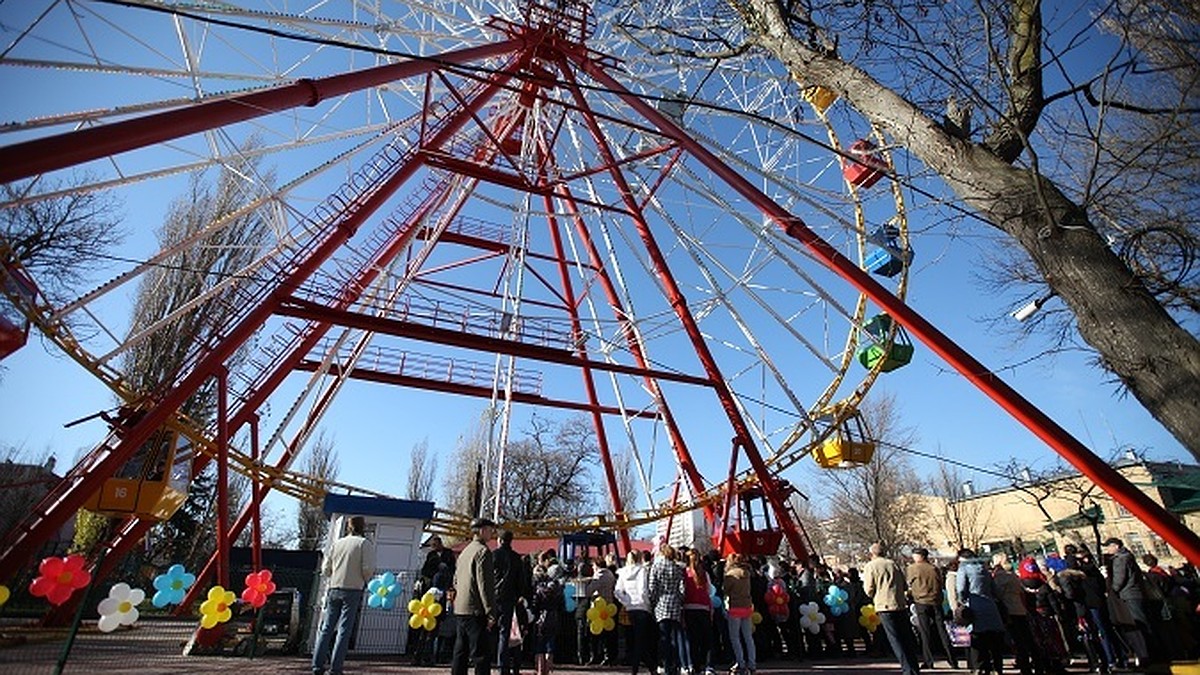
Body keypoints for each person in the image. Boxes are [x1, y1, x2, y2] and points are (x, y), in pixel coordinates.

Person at [312, 515, 376, 675]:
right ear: (363, 528)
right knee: (344, 630)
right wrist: (367, 580)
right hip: (353, 588)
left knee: (326, 628)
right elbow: (367, 569)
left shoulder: (337, 544)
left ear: (348, 527)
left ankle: (317, 666)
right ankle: (335, 668)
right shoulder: (364, 544)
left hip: (334, 587)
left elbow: (326, 568)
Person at [861, 543, 921, 675]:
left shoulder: (870, 566)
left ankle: (906, 669)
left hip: (884, 605)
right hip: (899, 604)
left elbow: (868, 589)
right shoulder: (893, 564)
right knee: (906, 638)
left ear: (872, 554)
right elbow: (904, 585)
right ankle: (914, 667)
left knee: (895, 640)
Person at [452, 517, 499, 675]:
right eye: (490, 529)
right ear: (482, 530)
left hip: (461, 608)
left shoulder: (465, 551)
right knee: (481, 655)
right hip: (475, 609)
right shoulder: (483, 552)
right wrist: (491, 610)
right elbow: (485, 585)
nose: (492, 533)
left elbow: (456, 580)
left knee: (460, 651)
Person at [1103, 537, 1160, 665]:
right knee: (1143, 621)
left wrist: (1112, 589)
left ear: (1116, 546)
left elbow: (1119, 579)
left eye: (1109, 546)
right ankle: (1153, 652)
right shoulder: (1128, 556)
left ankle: (1148, 654)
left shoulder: (1120, 559)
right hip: (1135, 592)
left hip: (1128, 594)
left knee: (1138, 623)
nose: (1108, 550)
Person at [906, 547, 958, 670]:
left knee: (925, 632)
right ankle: (952, 659)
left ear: (918, 556)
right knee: (942, 631)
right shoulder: (934, 568)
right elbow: (940, 583)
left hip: (921, 601)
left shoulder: (913, 568)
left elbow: (909, 583)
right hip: (936, 601)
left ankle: (928, 660)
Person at [956, 548, 1006, 675]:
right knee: (993, 639)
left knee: (978, 639)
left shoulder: (963, 569)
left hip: (974, 605)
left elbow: (961, 589)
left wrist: (962, 601)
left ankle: (981, 668)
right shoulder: (984, 569)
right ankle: (998, 668)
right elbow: (995, 590)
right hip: (990, 605)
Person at [648, 544, 687, 675]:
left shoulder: (657, 566)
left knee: (663, 637)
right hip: (675, 603)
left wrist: (653, 602)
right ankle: (675, 665)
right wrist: (679, 599)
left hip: (661, 603)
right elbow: (682, 588)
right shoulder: (678, 568)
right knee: (674, 637)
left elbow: (652, 587)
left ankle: (665, 664)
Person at [493, 529, 527, 675]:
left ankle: (483, 660)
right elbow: (521, 580)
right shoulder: (516, 558)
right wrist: (520, 595)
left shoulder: (493, 555)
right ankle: (503, 666)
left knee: (485, 630)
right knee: (504, 633)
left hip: (493, 597)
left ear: (499, 540)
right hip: (509, 599)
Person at [616, 550, 654, 675]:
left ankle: (648, 667)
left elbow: (618, 591)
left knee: (637, 638)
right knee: (641, 638)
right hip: (642, 606)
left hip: (630, 607)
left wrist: (627, 602)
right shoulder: (642, 570)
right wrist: (646, 603)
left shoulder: (623, 572)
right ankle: (639, 667)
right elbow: (643, 589)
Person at [723, 553, 756, 675]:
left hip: (735, 606)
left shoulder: (730, 575)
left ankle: (740, 662)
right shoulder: (747, 573)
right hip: (746, 606)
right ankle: (752, 663)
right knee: (748, 637)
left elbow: (726, 590)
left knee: (735, 637)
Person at [530, 564, 564, 675]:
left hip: (541, 617)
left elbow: (535, 605)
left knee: (540, 645)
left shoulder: (539, 589)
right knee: (550, 643)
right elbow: (562, 605)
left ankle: (540, 670)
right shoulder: (558, 589)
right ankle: (549, 669)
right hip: (554, 617)